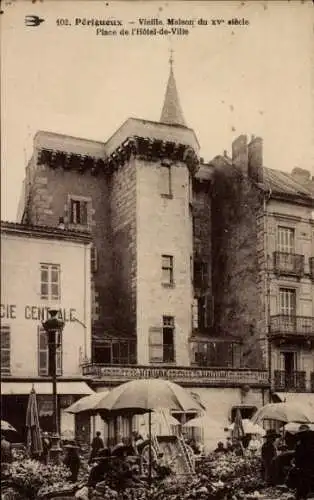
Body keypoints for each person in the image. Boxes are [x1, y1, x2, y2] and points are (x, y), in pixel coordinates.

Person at [294, 424, 314, 500]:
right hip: (309, 468)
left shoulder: (300, 444)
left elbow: (298, 457)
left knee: (302, 487)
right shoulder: (311, 442)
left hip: (303, 468)